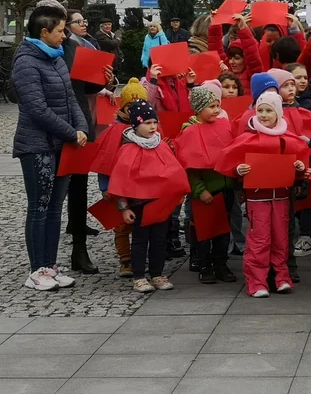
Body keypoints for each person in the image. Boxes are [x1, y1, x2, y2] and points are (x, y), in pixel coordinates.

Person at [11, 4, 89, 292]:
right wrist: (72, 133)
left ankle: (50, 265)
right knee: (39, 208)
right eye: (59, 31)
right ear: (44, 31)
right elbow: (36, 109)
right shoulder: (26, 61)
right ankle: (37, 269)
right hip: (37, 147)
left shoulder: (56, 58)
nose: (64, 36)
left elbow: (71, 98)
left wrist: (81, 129)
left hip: (62, 144)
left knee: (55, 207)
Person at [218, 92, 311, 297]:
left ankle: (281, 277)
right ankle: (256, 281)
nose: (263, 114)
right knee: (259, 239)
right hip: (257, 197)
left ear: (278, 113)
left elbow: (301, 161)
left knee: (280, 238)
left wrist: (299, 167)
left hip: (281, 197)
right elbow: (230, 161)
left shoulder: (288, 138)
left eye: (269, 110)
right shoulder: (247, 138)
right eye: (260, 110)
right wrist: (238, 169)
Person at [109, 100, 190, 293]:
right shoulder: (128, 149)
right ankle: (139, 276)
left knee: (159, 239)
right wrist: (124, 207)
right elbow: (121, 180)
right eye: (147, 123)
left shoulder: (160, 145)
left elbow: (173, 171)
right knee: (140, 239)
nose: (153, 126)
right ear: (136, 125)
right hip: (139, 205)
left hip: (160, 204)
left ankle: (157, 274)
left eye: (154, 122)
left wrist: (178, 194)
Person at [63, 8, 114, 275]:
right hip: (57, 127)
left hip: (80, 124)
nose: (66, 31)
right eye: (73, 23)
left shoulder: (77, 48)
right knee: (52, 195)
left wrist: (103, 78)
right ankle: (44, 259)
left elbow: (88, 87)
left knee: (80, 185)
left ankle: (79, 249)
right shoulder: (38, 53)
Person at [176, 86, 237, 284]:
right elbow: (189, 167)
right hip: (204, 192)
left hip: (224, 188)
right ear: (198, 108)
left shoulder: (222, 126)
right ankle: (204, 264)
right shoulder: (190, 132)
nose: (216, 110)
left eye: (218, 105)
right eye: (211, 106)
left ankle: (220, 263)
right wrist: (200, 190)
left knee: (223, 231)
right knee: (204, 231)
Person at [91, 77, 150, 278]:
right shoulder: (113, 131)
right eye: (130, 106)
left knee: (141, 224)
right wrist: (105, 186)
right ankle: (125, 259)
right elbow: (104, 161)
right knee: (122, 225)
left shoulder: (146, 129)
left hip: (140, 186)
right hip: (119, 186)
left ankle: (140, 256)